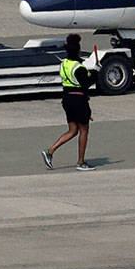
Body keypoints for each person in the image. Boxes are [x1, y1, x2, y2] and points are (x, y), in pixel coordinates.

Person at [42, 34, 96, 171]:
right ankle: (81, 162)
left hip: (67, 99)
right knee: (84, 130)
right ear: (78, 50)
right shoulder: (79, 68)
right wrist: (96, 74)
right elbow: (85, 84)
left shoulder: (64, 64)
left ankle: (50, 151)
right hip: (79, 99)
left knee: (73, 130)